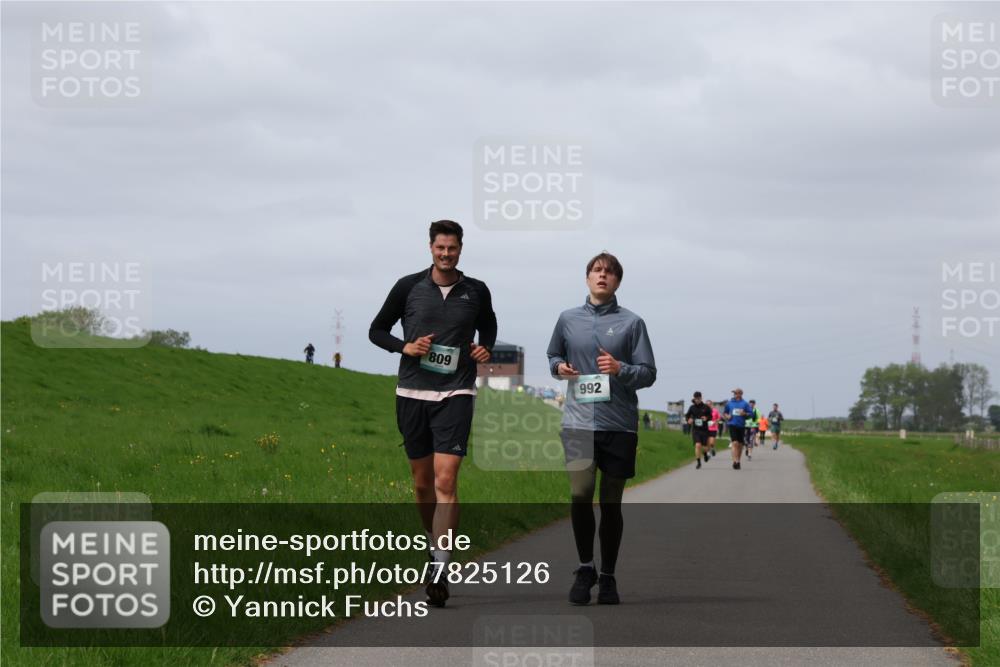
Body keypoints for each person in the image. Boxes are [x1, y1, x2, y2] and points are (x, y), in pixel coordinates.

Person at [368, 219, 497, 608]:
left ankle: (440, 565)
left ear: (460, 249)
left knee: (446, 479)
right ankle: (433, 544)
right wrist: (404, 348)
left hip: (456, 392)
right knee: (422, 483)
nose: (446, 254)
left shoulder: (475, 290)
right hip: (411, 392)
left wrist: (483, 348)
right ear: (430, 248)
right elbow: (377, 330)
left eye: (452, 248)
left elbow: (488, 326)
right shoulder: (408, 287)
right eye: (440, 248)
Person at [547, 252, 656, 606]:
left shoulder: (633, 323)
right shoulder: (567, 319)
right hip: (577, 422)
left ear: (618, 282)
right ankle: (585, 567)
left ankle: (607, 576)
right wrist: (559, 367)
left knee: (610, 504)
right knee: (580, 494)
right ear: (587, 278)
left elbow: (649, 373)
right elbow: (552, 357)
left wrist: (620, 368)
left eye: (609, 272)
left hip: (619, 425)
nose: (602, 276)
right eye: (596, 271)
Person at [723, 388, 753, 470]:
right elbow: (725, 413)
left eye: (737, 393)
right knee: (735, 443)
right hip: (732, 425)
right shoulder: (729, 403)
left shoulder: (745, 404)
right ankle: (735, 461)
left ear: (741, 394)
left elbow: (751, 414)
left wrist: (745, 413)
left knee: (740, 445)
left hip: (741, 426)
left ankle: (738, 461)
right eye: (735, 393)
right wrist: (727, 416)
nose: (736, 394)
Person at [685, 391, 712, 468]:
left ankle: (705, 454)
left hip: (704, 429)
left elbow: (711, 416)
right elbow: (687, 416)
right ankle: (698, 462)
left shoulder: (706, 407)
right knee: (697, 445)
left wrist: (706, 418)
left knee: (705, 447)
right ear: (694, 398)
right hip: (695, 430)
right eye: (696, 399)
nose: (697, 400)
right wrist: (688, 420)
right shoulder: (692, 407)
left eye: (698, 398)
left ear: (701, 398)